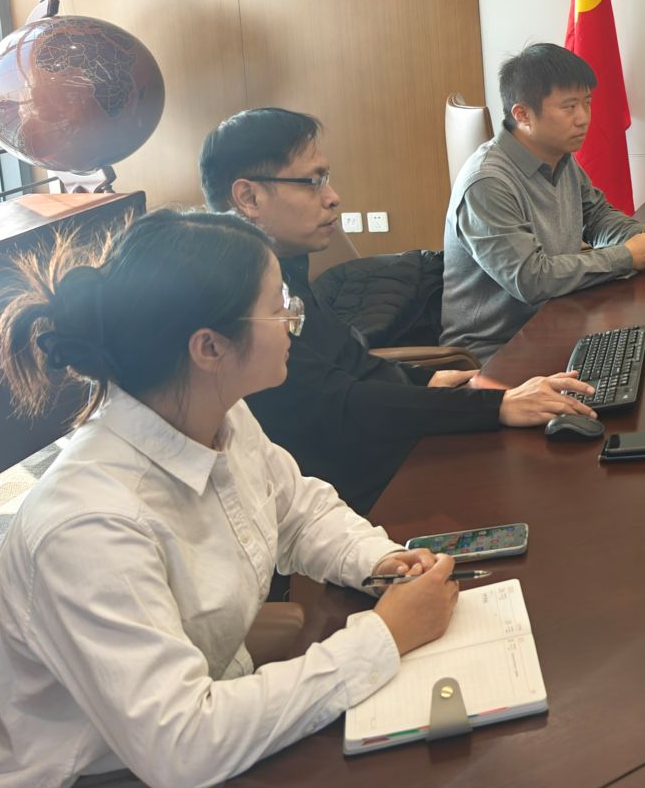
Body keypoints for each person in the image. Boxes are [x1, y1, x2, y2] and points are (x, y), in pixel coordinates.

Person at [0, 209, 462, 788]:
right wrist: (384, 636)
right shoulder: (90, 524)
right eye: (278, 309)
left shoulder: (218, 413)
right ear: (209, 347)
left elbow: (296, 507)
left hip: (198, 747)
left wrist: (377, 561)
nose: (294, 321)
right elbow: (183, 746)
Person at [200, 109, 597, 513]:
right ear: (249, 198)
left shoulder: (284, 267)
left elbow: (347, 363)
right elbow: (341, 405)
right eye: (312, 181)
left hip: (376, 455)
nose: (333, 196)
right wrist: (496, 407)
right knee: (551, 491)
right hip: (354, 492)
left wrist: (427, 380)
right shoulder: (241, 303)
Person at [444, 45, 645, 359]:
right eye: (569, 107)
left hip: (558, 322)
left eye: (587, 103)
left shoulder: (560, 158)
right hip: (498, 352)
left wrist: (639, 236)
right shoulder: (487, 183)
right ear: (522, 115)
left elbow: (596, 215)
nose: (583, 119)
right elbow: (530, 279)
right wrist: (627, 256)